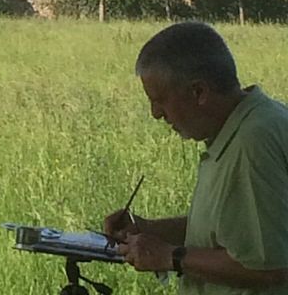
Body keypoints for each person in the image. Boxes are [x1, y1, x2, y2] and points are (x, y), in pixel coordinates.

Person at [104, 22, 288, 294]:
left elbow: (268, 267)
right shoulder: (245, 125)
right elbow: (236, 232)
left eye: (160, 100)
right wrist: (151, 230)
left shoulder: (252, 143)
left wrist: (171, 256)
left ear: (199, 92)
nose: (156, 113)